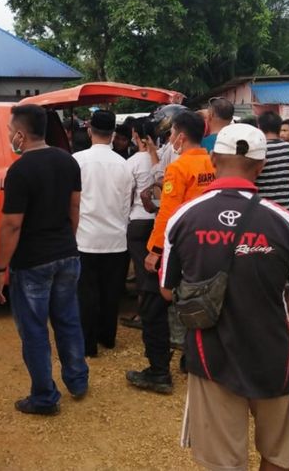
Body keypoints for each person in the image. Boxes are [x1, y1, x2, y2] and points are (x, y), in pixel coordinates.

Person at [160, 123, 289, 471]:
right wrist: (272, 294)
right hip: (273, 357)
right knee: (278, 455)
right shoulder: (288, 223)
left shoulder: (182, 218)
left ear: (212, 158)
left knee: (223, 463)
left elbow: (166, 289)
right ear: (261, 165)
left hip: (211, 358)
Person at [0, 104, 89, 415]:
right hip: (66, 255)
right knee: (68, 320)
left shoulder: (19, 171)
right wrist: (67, 242)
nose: (10, 136)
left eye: (10, 131)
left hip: (32, 262)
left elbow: (11, 224)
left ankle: (45, 397)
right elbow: (75, 208)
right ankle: (77, 380)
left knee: (34, 330)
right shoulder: (67, 161)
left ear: (20, 134)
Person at [73, 110, 133, 357]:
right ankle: (107, 337)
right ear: (113, 135)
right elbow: (126, 204)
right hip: (116, 239)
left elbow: (73, 202)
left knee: (86, 294)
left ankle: (88, 345)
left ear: (90, 131)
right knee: (111, 293)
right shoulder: (124, 165)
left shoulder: (77, 160)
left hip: (85, 238)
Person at [124, 116, 174, 393]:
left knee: (150, 289)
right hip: (167, 230)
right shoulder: (169, 159)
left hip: (148, 226)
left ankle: (158, 369)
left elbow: (162, 204)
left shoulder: (139, 163)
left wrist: (154, 250)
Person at [144, 110, 215, 272]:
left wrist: (155, 249)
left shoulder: (178, 168)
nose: (169, 138)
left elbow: (168, 210)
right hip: (211, 237)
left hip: (185, 240)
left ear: (181, 137)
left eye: (172, 133)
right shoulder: (212, 163)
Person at [254, 111, 289, 209]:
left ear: (259, 127)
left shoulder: (257, 149)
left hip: (262, 209)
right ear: (279, 127)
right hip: (285, 210)